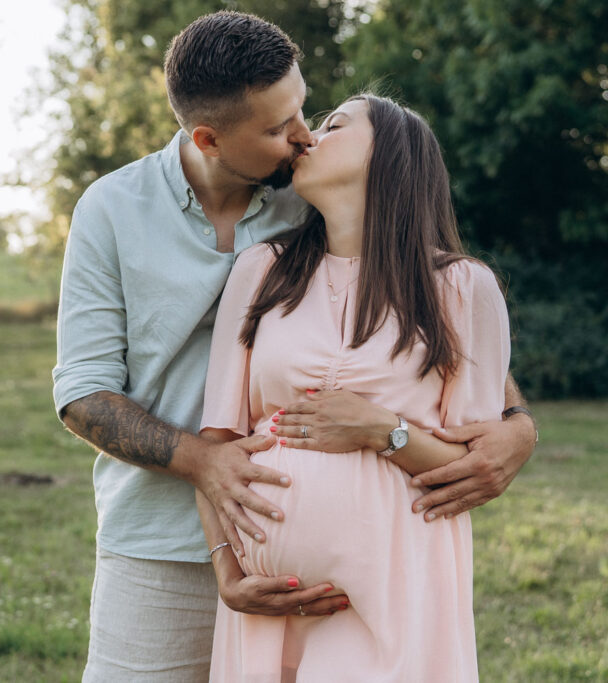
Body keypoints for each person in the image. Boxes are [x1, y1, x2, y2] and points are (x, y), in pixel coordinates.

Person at [52, 11, 537, 681]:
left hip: (357, 570)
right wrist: (204, 463)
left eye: (306, 112)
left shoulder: (307, 198)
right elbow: (82, 394)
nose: (304, 136)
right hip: (159, 538)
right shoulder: (111, 209)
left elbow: (428, 317)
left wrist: (518, 425)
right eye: (280, 129)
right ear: (209, 138)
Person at [197, 93, 509, 681]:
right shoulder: (263, 269)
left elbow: (471, 467)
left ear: (389, 158)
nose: (308, 137)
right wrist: (227, 572)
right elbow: (217, 442)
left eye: (334, 124)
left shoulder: (463, 288)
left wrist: (381, 431)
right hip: (268, 601)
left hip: (395, 584)